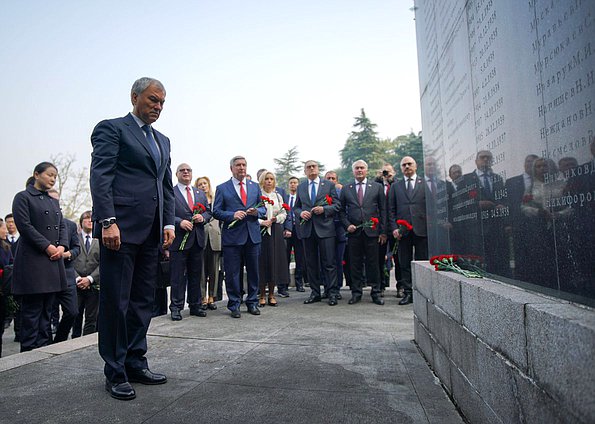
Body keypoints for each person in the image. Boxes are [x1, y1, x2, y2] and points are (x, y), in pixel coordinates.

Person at [90, 77, 175, 400]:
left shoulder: (163, 140)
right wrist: (107, 221)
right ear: (135, 97)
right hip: (120, 231)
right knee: (116, 302)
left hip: (152, 232)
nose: (158, 107)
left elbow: (164, 186)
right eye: (153, 100)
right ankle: (115, 371)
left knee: (143, 301)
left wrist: (168, 223)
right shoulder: (112, 129)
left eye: (162, 103)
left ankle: (136, 361)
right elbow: (101, 176)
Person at [12, 162, 67, 352]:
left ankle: (43, 348)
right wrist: (47, 247)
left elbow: (62, 226)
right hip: (34, 261)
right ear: (36, 174)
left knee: (48, 310)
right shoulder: (23, 197)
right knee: (32, 310)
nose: (52, 179)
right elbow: (25, 226)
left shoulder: (53, 201)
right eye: (49, 175)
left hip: (52, 260)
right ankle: (27, 350)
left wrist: (61, 246)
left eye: (55, 176)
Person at [212, 156, 265, 318]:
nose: (242, 168)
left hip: (252, 236)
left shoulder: (255, 187)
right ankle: (234, 304)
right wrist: (232, 214)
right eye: (238, 165)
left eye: (244, 165)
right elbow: (216, 211)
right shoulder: (222, 188)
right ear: (231, 168)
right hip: (233, 238)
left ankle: (252, 302)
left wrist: (257, 212)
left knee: (254, 272)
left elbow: (263, 209)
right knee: (233, 272)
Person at [293, 160, 341, 306]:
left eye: (314, 166)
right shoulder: (301, 187)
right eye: (308, 167)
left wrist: (324, 210)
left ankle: (332, 293)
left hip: (325, 229)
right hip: (307, 229)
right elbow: (296, 207)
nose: (311, 169)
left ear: (318, 169)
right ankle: (315, 293)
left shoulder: (329, 185)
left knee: (329, 263)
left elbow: (337, 205)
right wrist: (301, 213)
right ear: (305, 171)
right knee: (311, 263)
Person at [340, 160, 387, 305]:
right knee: (355, 263)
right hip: (354, 233)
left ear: (366, 170)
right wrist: (347, 225)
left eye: (362, 168)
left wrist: (383, 232)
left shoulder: (377, 187)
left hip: (372, 233)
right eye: (357, 168)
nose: (359, 170)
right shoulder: (346, 189)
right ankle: (356, 292)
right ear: (353, 171)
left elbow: (383, 210)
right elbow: (341, 211)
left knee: (374, 263)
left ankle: (376, 292)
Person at [169, 163, 211, 321]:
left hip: (197, 239)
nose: (185, 172)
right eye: (182, 170)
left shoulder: (199, 193)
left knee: (196, 274)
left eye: (188, 170)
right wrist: (179, 222)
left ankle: (195, 305)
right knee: (178, 276)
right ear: (177, 174)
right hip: (178, 239)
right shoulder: (170, 192)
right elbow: (165, 213)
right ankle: (176, 307)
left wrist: (203, 217)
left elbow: (208, 211)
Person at [388, 156, 427, 305]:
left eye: (409, 164)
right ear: (401, 168)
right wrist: (394, 229)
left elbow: (431, 207)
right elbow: (391, 210)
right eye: (404, 165)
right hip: (402, 231)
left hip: (422, 229)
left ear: (415, 166)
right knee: (404, 263)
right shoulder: (396, 186)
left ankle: (423, 293)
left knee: (423, 262)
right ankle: (408, 292)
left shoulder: (424, 183)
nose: (407, 167)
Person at [48, 189, 80, 343]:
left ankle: (59, 340)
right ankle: (44, 343)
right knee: (45, 313)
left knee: (72, 312)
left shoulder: (70, 225)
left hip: (66, 274)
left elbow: (76, 248)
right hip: (46, 274)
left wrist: (67, 254)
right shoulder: (41, 224)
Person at [257, 171, 289, 307]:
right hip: (262, 231)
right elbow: (253, 212)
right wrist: (261, 222)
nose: (269, 181)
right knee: (263, 262)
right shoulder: (258, 195)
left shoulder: (278, 196)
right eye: (266, 179)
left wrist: (278, 218)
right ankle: (262, 294)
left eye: (271, 179)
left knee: (274, 262)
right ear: (262, 181)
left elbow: (284, 212)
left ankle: (271, 294)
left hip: (275, 230)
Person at [72, 210, 100, 337]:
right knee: (75, 315)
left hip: (94, 285)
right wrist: (77, 279)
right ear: (81, 222)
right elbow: (68, 261)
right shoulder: (74, 239)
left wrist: (90, 279)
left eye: (91, 219)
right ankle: (75, 340)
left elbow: (103, 263)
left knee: (91, 318)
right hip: (76, 285)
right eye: (86, 219)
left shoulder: (100, 239)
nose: (89, 221)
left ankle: (86, 341)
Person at [195, 176, 222, 309]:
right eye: (200, 184)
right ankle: (202, 297)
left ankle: (212, 296)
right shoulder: (196, 200)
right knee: (201, 270)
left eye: (205, 183)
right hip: (201, 236)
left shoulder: (216, 200)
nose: (203, 186)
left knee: (214, 271)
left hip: (215, 237)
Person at [283, 176, 306, 292]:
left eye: (295, 183)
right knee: (285, 257)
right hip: (287, 231)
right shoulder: (285, 198)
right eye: (291, 183)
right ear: (288, 185)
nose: (293, 185)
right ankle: (284, 284)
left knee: (299, 258)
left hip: (299, 231)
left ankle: (299, 283)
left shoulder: (302, 198)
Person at [0, 220, 14, 357]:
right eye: (3, 228)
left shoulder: (6, 247)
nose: (6, 230)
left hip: (3, 290)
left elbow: (11, 263)